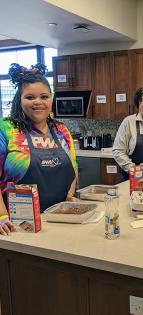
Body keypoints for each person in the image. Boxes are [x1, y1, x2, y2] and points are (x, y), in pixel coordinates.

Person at [0, 63, 78, 236]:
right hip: (17, 226)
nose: (38, 102)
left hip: (58, 221)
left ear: (51, 99)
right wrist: (1, 216)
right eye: (29, 97)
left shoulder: (61, 130)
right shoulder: (6, 129)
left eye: (44, 96)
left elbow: (73, 166)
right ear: (19, 100)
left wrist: (68, 198)